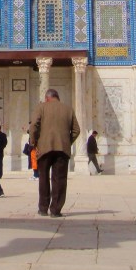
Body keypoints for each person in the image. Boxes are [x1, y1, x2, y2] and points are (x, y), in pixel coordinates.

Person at [29, 88, 80, 218]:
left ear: (47, 98)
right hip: (62, 149)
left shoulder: (41, 107)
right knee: (60, 179)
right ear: (57, 97)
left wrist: (34, 143)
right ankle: (55, 210)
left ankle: (43, 208)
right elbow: (76, 130)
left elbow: (34, 125)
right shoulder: (68, 109)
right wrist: (66, 141)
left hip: (44, 148)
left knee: (43, 178)